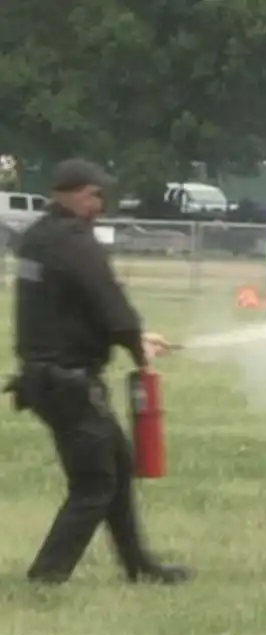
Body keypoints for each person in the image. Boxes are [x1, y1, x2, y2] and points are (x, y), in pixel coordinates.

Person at [5, 159, 192, 585]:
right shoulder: (74, 242)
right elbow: (108, 301)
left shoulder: (38, 238)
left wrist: (134, 337)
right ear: (67, 193)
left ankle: (139, 566)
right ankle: (47, 576)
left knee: (117, 466)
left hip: (46, 377)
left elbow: (72, 306)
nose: (100, 203)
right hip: (66, 380)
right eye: (93, 194)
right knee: (94, 483)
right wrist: (135, 344)